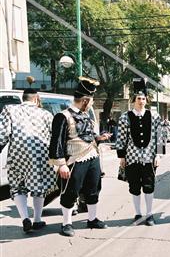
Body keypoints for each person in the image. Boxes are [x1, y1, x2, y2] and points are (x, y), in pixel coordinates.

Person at [49, 77, 112, 237]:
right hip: (74, 160)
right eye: (91, 100)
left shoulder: (86, 116)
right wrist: (61, 164)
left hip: (92, 158)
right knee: (70, 191)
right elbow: (56, 142)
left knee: (93, 189)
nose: (92, 103)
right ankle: (66, 223)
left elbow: (87, 136)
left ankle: (92, 219)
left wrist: (99, 138)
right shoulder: (62, 117)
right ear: (84, 100)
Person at [0, 81, 54, 233]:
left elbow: (2, 133)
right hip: (41, 155)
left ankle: (25, 218)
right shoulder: (45, 113)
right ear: (36, 98)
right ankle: (37, 219)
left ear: (23, 98)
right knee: (40, 187)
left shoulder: (9, 109)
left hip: (17, 153)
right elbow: (53, 136)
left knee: (18, 187)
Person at [116, 78, 165, 226]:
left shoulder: (154, 116)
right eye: (139, 98)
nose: (141, 101)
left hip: (149, 157)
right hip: (132, 157)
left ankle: (149, 214)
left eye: (143, 98)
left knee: (149, 186)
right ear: (134, 100)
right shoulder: (125, 117)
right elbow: (121, 137)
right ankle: (138, 213)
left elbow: (160, 136)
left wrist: (159, 155)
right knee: (135, 187)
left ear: (146, 100)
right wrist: (121, 156)